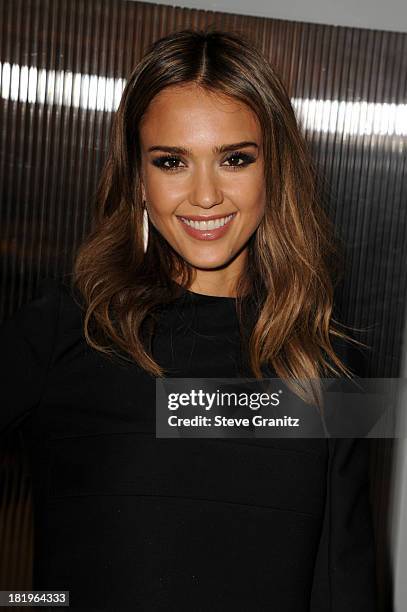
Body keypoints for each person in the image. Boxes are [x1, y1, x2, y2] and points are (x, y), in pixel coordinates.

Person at [0, 27, 377, 610]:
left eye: (234, 159)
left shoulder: (331, 362)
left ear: (274, 170)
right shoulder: (65, 329)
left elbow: (344, 581)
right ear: (139, 179)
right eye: (172, 161)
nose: (205, 195)